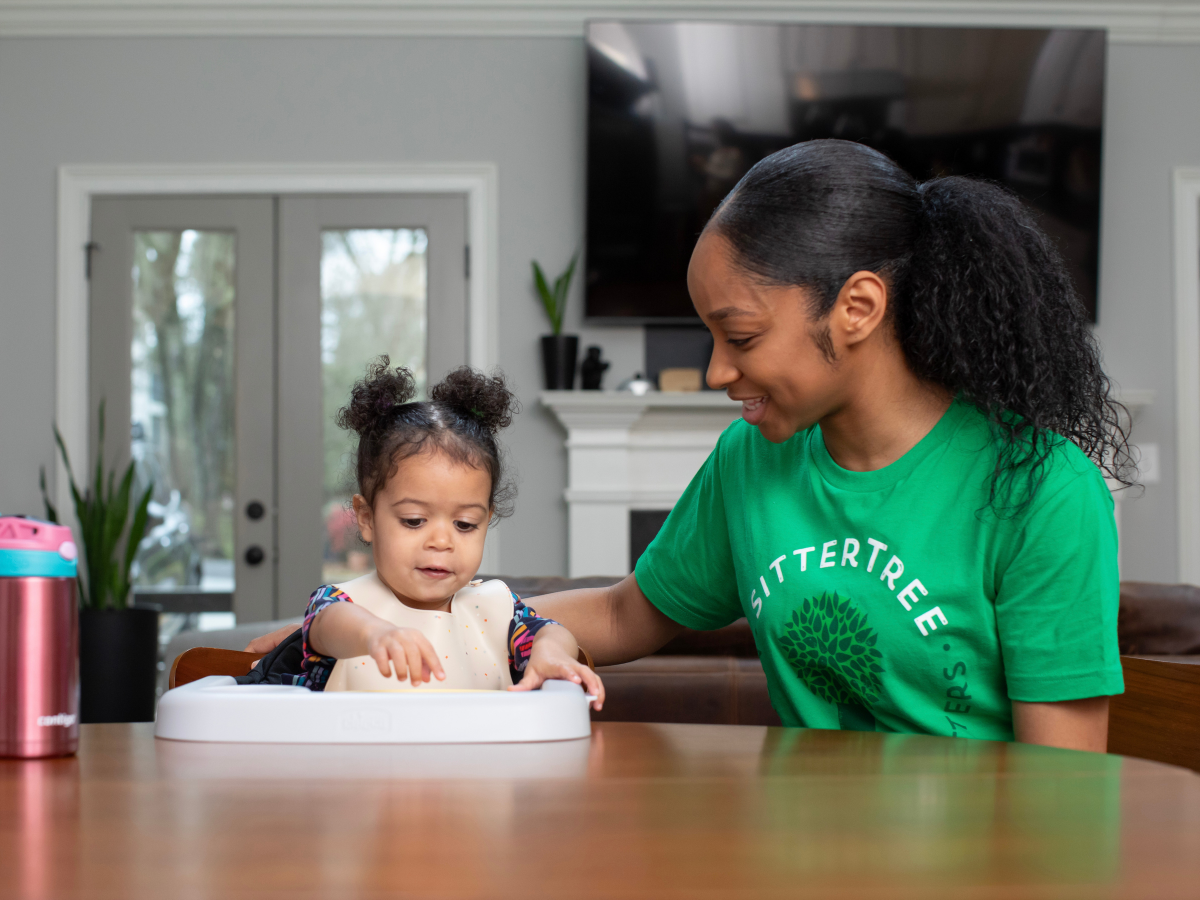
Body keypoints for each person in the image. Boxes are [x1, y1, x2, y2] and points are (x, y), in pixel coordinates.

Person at [250, 139, 1126, 750]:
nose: (715, 372)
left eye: (739, 335)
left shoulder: (1040, 487)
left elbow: (1063, 790)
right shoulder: (756, 459)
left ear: (856, 309)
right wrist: (404, 616)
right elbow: (634, 613)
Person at [270, 357, 604, 706]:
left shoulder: (498, 610)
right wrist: (374, 634)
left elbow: (552, 631)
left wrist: (552, 653)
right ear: (367, 518)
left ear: (486, 520)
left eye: (465, 524)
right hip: (359, 759)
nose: (442, 542)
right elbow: (326, 627)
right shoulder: (343, 606)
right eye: (414, 520)